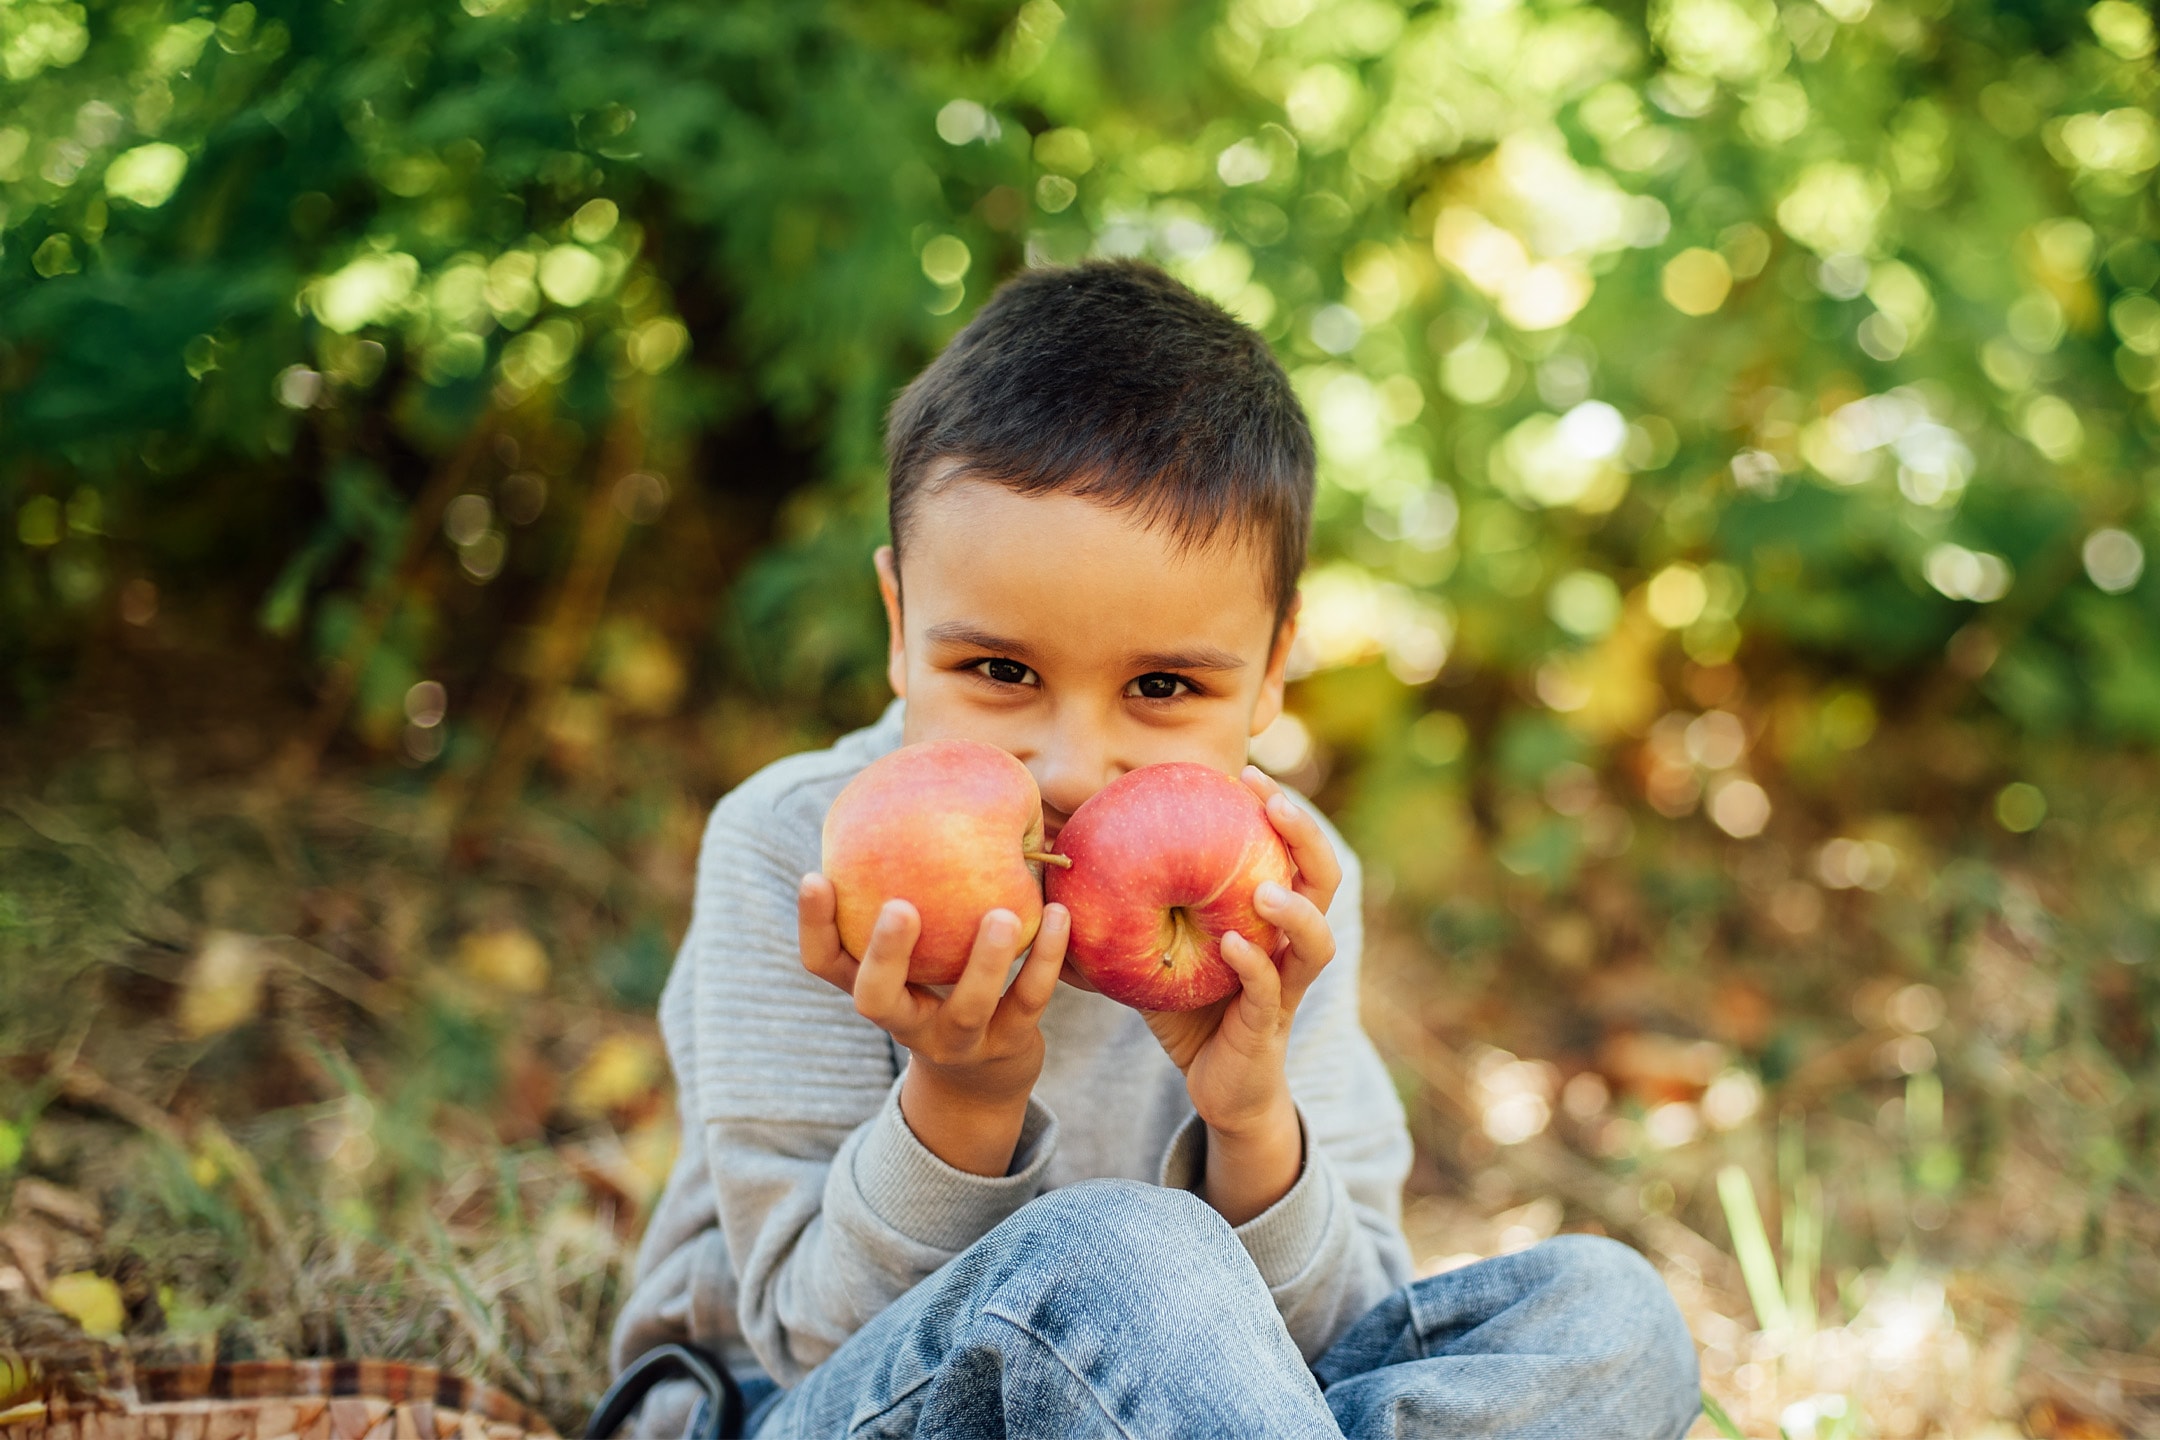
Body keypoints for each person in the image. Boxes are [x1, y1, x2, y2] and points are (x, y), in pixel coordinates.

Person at [608, 261, 1700, 1438]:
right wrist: (961, 1095)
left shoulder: (1278, 883)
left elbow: (1338, 1337)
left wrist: (1250, 1122)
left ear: (1273, 667)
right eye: (999, 671)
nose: (1074, 768)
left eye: (1164, 686)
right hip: (802, 1412)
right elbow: (806, 1336)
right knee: (1123, 1250)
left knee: (1609, 1318)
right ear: (899, 625)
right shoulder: (806, 855)